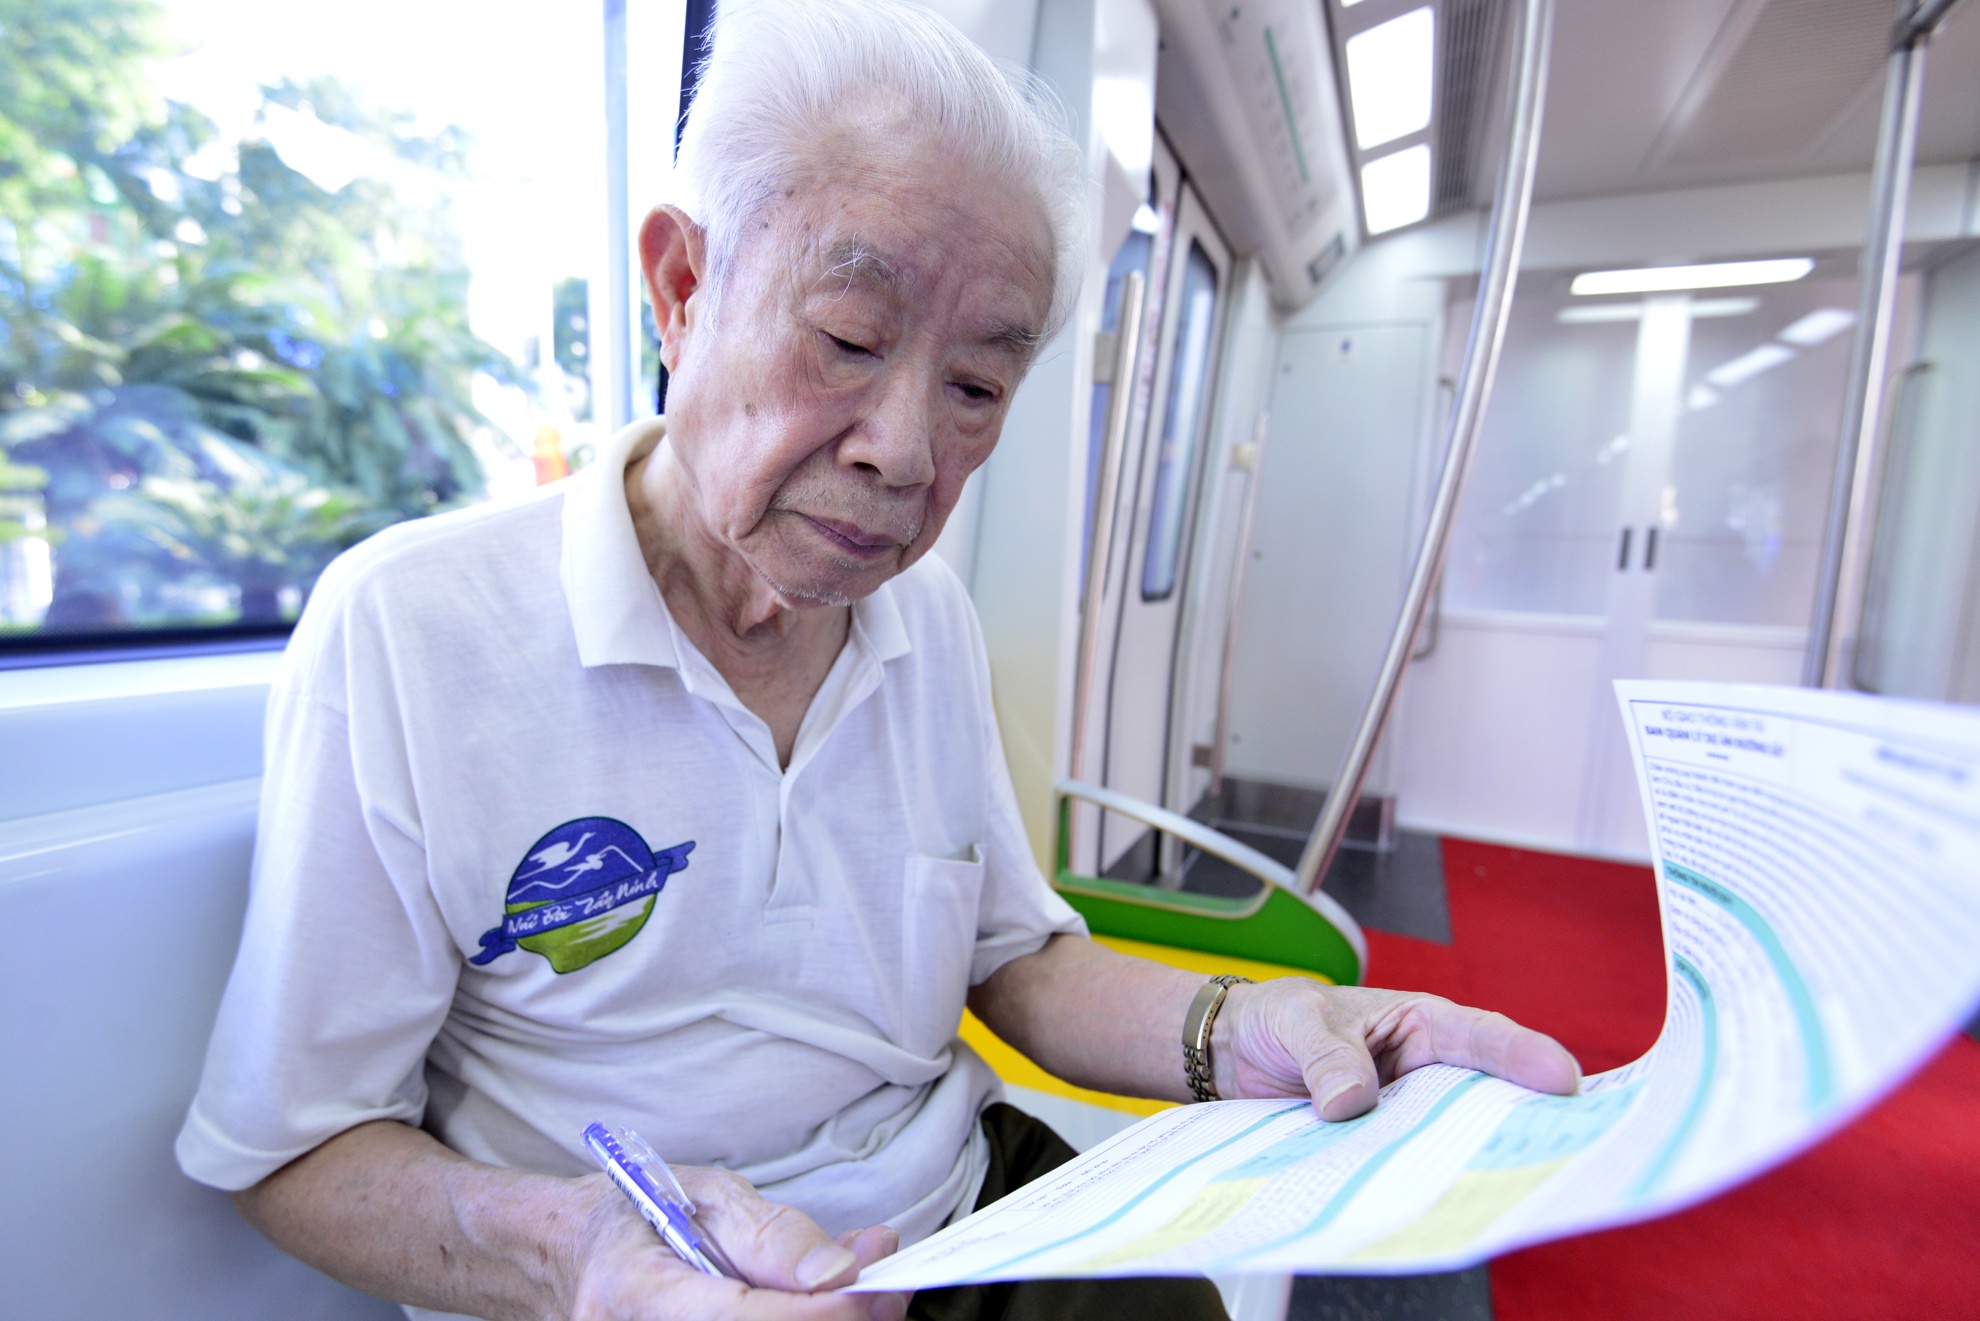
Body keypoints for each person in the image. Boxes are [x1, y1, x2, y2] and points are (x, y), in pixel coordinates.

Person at [176, 2, 1581, 1318]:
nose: (906, 452)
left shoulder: (929, 622)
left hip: (967, 1214)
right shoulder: (413, 629)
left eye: (975, 387)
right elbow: (293, 1151)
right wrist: (582, 1258)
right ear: (681, 286)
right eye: (848, 339)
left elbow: (1016, 961)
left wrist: (1243, 1024)